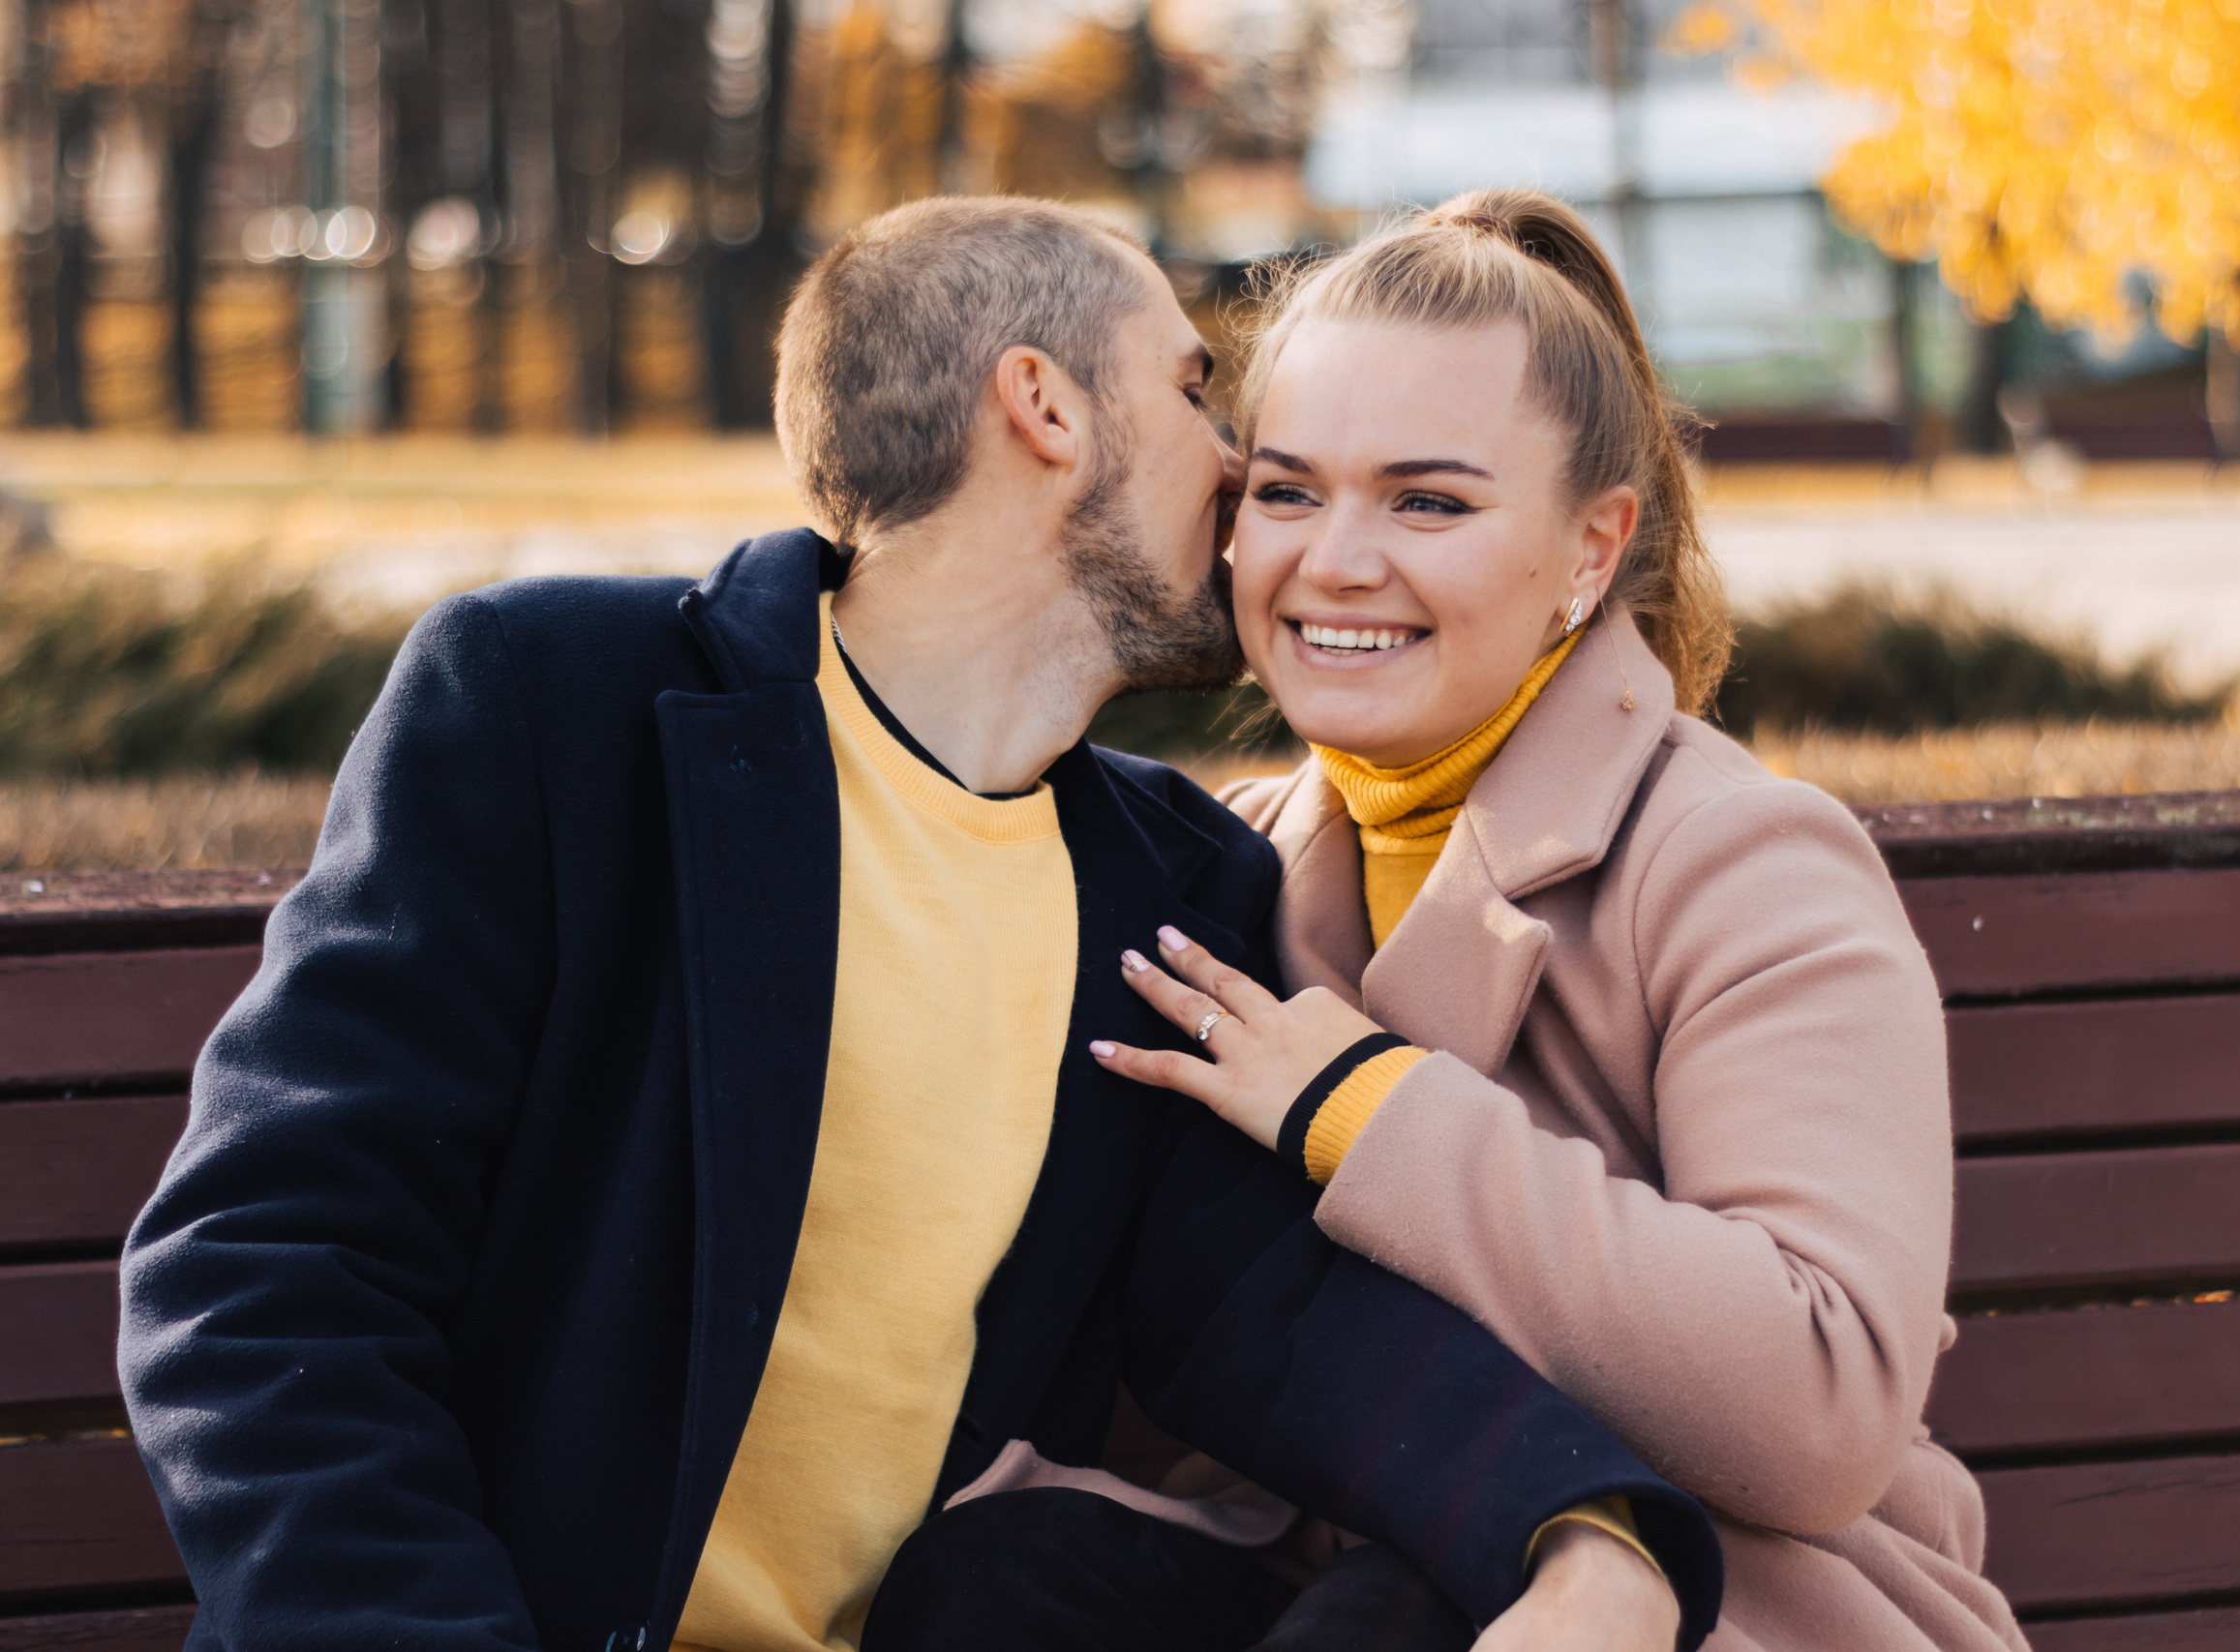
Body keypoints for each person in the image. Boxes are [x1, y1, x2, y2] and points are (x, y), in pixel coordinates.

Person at [115, 195, 1723, 1652]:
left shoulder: (1168, 885)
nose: (1242, 468)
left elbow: (1272, 1313)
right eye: (1191, 391)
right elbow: (266, 1273)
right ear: (1044, 407)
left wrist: (1591, 1533)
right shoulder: (562, 710)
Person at [1095, 189, 2031, 1652]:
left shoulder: (1740, 863)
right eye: (1285, 490)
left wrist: (1366, 1109)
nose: (1333, 559)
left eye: (1430, 502)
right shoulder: (1249, 862)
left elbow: (1824, 1395)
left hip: (1729, 1606)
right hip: (1360, 1564)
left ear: (1593, 549)